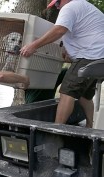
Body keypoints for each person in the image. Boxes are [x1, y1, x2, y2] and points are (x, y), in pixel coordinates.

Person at [20, 0, 104, 128]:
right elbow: (83, 32)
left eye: (57, 4)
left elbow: (59, 30)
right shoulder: (85, 6)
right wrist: (68, 48)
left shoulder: (69, 7)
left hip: (89, 56)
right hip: (99, 58)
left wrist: (33, 45)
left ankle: (56, 130)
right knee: (84, 96)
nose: (58, 8)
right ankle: (89, 126)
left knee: (66, 92)